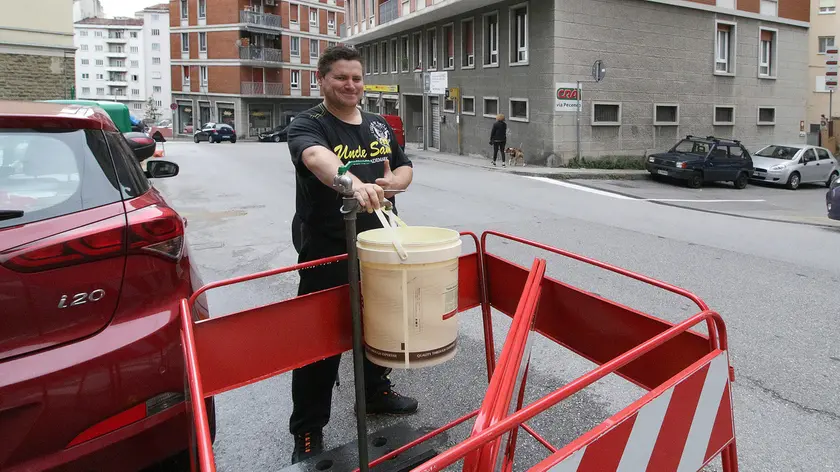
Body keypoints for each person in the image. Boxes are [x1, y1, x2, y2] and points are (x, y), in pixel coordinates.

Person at [286, 45, 418, 464]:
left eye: (356, 78)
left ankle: (376, 392)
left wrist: (393, 182)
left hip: (379, 244)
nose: (350, 85)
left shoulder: (379, 124)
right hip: (327, 247)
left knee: (379, 323)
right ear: (322, 80)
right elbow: (315, 157)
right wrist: (350, 182)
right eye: (341, 77)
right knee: (320, 338)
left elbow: (403, 167)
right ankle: (308, 428)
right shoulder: (309, 124)